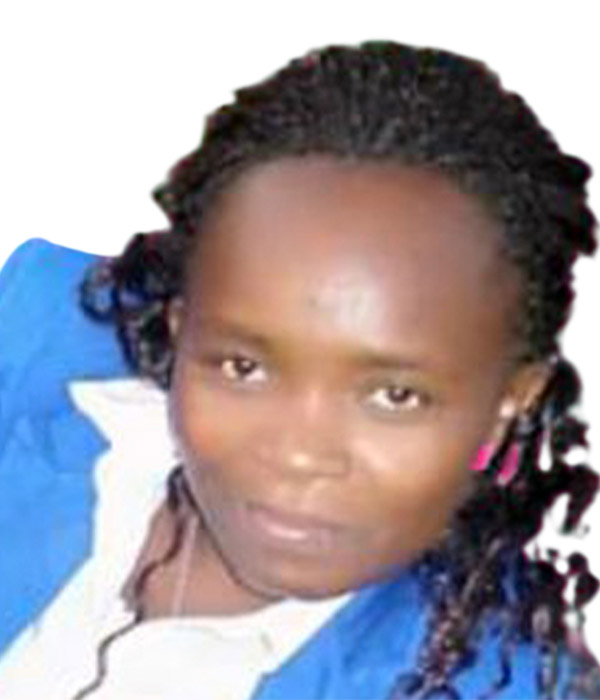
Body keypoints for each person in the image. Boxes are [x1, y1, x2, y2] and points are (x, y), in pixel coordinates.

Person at [0, 40, 599, 700]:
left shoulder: (499, 686)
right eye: (243, 366)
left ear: (513, 397)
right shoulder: (29, 339)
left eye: (395, 395)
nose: (298, 453)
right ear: (180, 325)